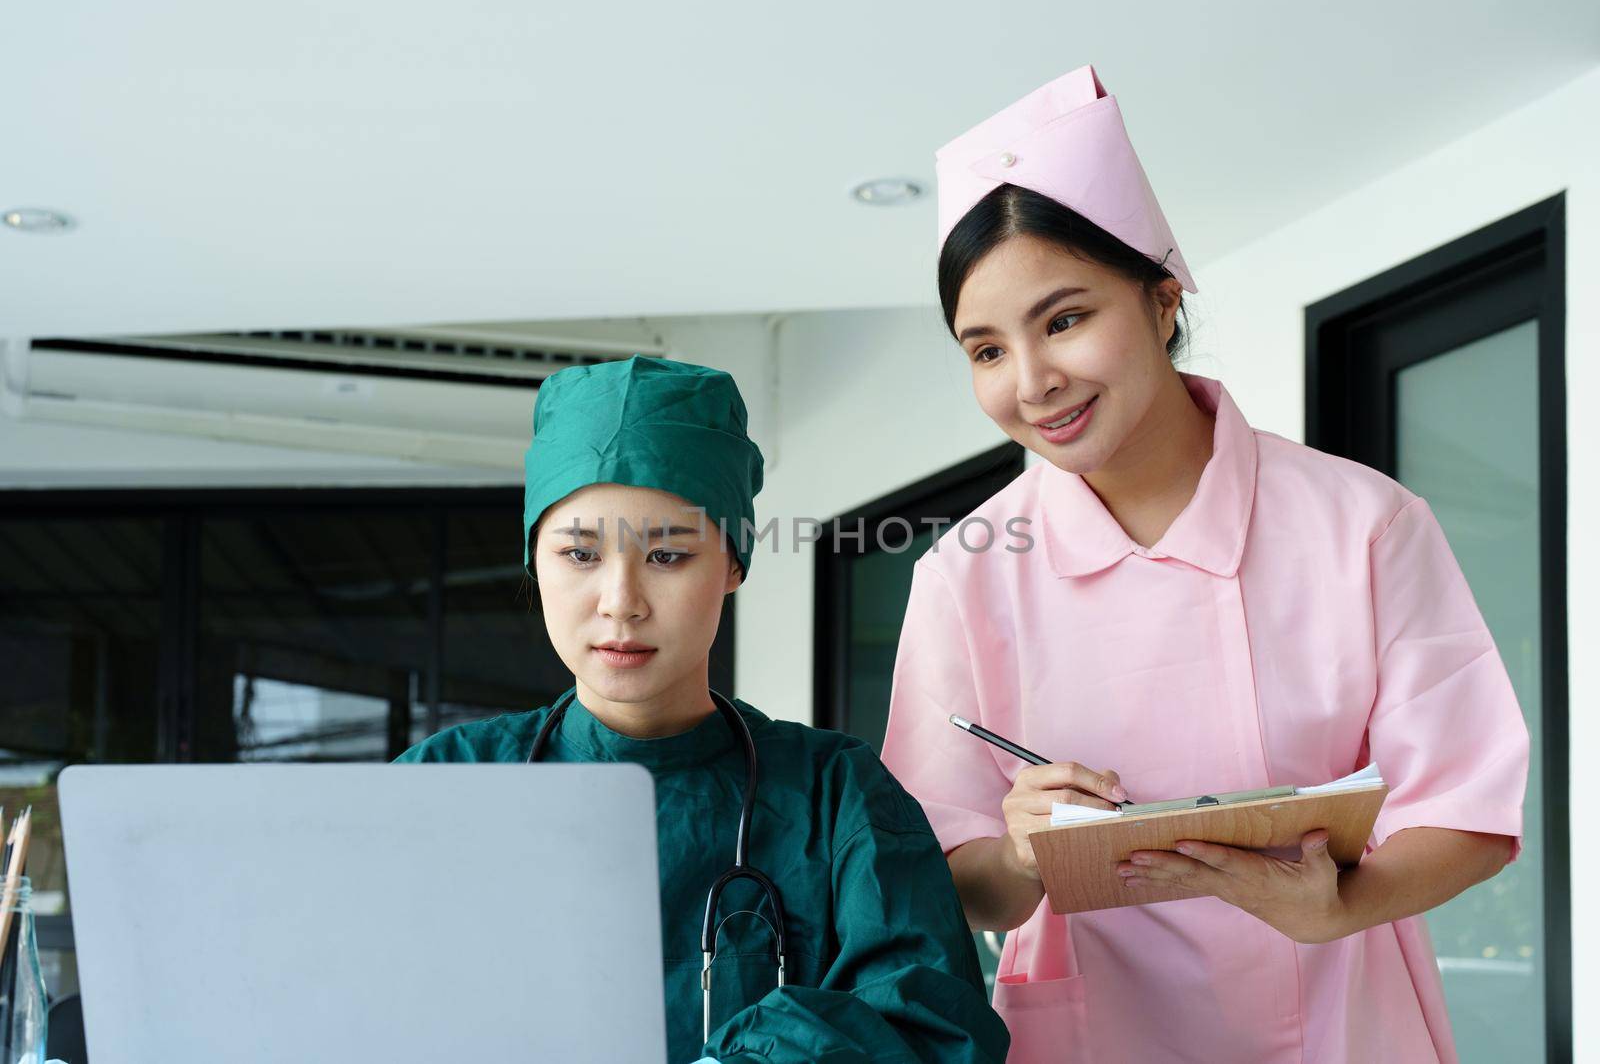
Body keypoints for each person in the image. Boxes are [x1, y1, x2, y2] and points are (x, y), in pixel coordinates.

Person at [878, 65, 1528, 1062]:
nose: (1032, 381)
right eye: (985, 349)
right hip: (1095, 1028)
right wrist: (1019, 849)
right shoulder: (966, 572)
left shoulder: (1361, 520)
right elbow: (948, 876)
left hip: (1341, 1016)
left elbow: (1468, 808)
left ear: (1162, 296)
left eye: (1062, 318)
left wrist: (1336, 904)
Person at [397, 355, 1009, 1064]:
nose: (620, 600)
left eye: (666, 556)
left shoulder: (837, 793)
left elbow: (933, 1023)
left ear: (734, 564)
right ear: (536, 563)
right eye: (579, 553)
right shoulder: (443, 783)